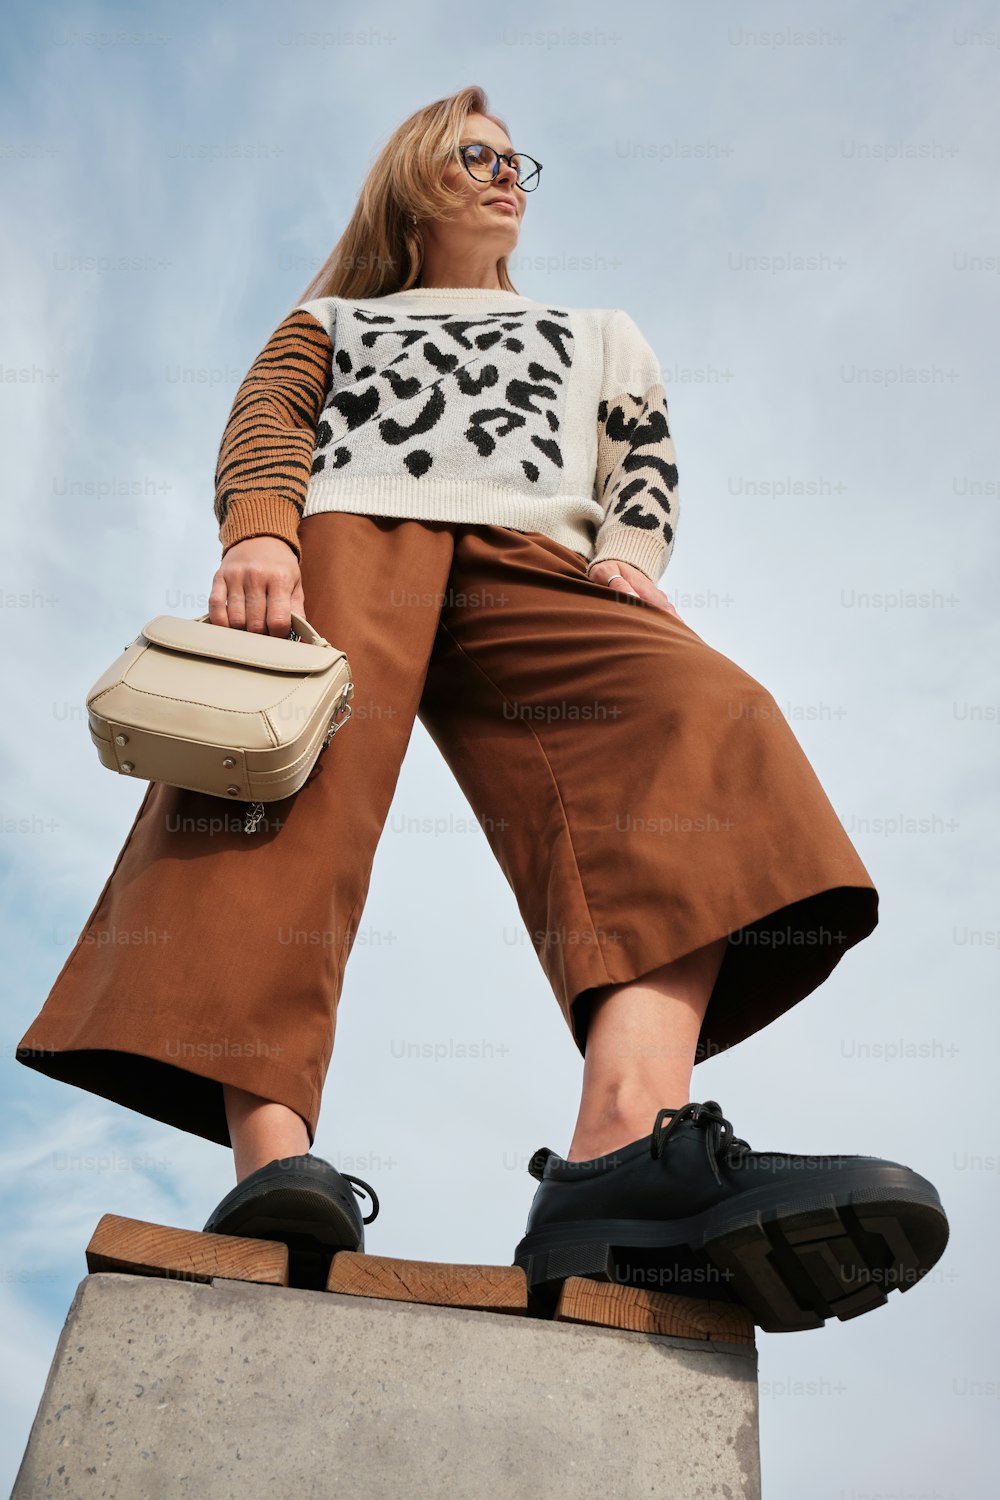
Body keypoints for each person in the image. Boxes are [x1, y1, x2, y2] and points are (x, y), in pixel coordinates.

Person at [16, 86, 948, 1325]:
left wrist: (631, 558)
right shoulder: (334, 318)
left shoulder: (596, 329)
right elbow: (267, 423)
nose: (508, 177)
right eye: (477, 156)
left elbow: (643, 455)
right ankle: (274, 1164)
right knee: (279, 784)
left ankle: (624, 1149)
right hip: (355, 525)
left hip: (538, 557)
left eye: (520, 162)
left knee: (706, 718)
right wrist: (262, 533)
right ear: (415, 178)